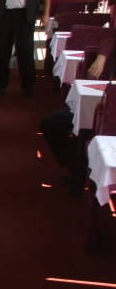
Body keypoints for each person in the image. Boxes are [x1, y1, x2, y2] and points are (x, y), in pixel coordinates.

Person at [39, 37, 114, 188]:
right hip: (100, 105)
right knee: (51, 123)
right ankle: (77, 165)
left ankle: (80, 174)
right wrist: (102, 56)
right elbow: (110, 41)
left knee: (89, 130)